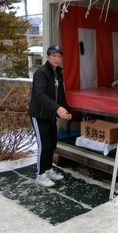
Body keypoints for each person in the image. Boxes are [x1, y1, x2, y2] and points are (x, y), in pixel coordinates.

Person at [28, 45, 72, 188]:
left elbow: (60, 95)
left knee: (52, 144)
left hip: (50, 115)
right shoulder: (41, 73)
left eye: (59, 56)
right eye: (54, 56)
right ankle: (40, 174)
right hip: (39, 115)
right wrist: (57, 108)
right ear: (47, 57)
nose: (57, 59)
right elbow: (40, 95)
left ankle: (47, 169)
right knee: (44, 146)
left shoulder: (58, 73)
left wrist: (66, 109)